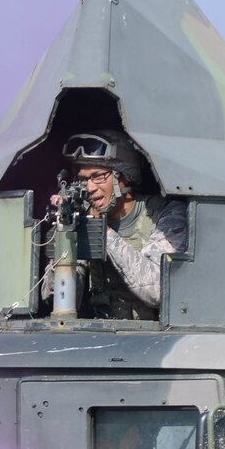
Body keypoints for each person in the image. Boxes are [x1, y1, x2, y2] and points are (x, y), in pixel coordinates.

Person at [61, 131, 189, 320]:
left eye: (98, 177)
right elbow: (59, 297)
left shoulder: (165, 214)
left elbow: (156, 289)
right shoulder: (84, 217)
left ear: (124, 176)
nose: (89, 188)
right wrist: (64, 232)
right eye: (82, 179)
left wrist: (104, 233)